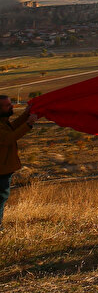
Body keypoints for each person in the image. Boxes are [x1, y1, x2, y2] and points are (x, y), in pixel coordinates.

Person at [1, 94, 38, 228]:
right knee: (1, 197)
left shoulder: (3, 122)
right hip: (1, 170)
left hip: (4, 168)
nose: (12, 106)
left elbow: (12, 127)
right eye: (8, 105)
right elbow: (9, 138)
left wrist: (26, 115)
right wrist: (28, 124)